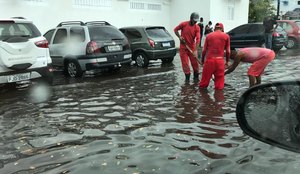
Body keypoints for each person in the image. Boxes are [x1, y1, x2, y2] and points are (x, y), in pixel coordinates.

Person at [199, 23, 231, 90]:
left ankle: (202, 99)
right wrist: (227, 62)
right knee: (219, 86)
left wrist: (202, 61)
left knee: (203, 84)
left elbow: (204, 50)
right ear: (222, 29)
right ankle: (218, 99)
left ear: (214, 29)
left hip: (209, 61)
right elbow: (228, 51)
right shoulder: (226, 36)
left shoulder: (208, 36)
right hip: (220, 61)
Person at [174, 12, 201, 83]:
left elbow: (198, 39)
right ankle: (187, 82)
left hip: (192, 48)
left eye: (196, 21)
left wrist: (195, 50)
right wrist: (180, 37)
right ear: (191, 18)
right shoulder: (184, 24)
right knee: (186, 65)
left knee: (195, 65)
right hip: (184, 48)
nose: (195, 22)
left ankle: (196, 81)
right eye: (194, 20)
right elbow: (175, 30)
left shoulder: (197, 27)